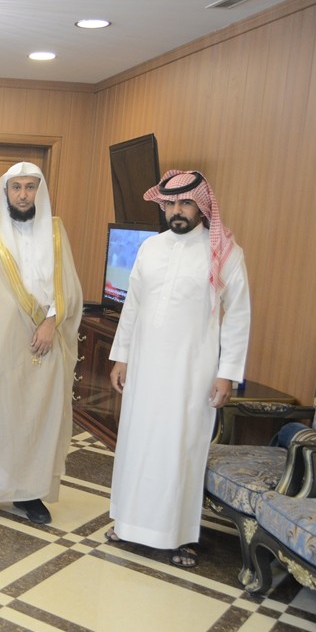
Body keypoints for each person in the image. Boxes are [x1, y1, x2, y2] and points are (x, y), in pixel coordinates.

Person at [106, 170, 251, 568]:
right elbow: (133, 306)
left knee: (179, 451)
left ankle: (179, 536)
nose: (176, 211)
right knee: (136, 445)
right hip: (144, 369)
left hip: (192, 373)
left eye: (185, 203)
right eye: (170, 204)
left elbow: (238, 316)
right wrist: (122, 356)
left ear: (202, 206)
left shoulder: (224, 252)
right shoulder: (150, 248)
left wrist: (227, 372)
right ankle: (128, 523)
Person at [0, 161, 83, 525]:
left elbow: (68, 287)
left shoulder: (55, 231)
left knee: (34, 418)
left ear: (40, 191)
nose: (23, 195)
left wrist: (52, 322)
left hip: (42, 344)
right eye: (16, 187)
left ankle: (29, 493)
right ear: (5, 191)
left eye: (30, 187)